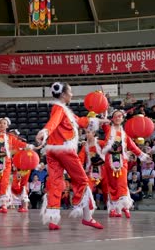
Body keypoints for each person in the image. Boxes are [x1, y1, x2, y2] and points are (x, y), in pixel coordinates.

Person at [36, 82, 107, 230]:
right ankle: (88, 217)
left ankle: (53, 220)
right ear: (63, 94)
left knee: (55, 183)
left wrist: (100, 120)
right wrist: (45, 131)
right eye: (70, 92)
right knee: (82, 180)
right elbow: (53, 123)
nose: (72, 94)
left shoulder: (64, 110)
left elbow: (81, 121)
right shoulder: (60, 109)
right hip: (65, 151)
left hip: (53, 151)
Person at [100, 109, 151, 218]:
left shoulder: (124, 135)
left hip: (122, 159)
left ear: (122, 119)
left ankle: (125, 207)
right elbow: (104, 123)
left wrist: (143, 156)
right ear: (112, 119)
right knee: (112, 184)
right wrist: (104, 113)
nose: (118, 118)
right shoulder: (108, 129)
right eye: (116, 116)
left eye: (120, 116)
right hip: (110, 159)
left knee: (122, 183)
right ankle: (113, 209)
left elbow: (133, 147)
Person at [0, 117, 32, 212]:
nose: (2, 125)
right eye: (0, 123)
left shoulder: (10, 137)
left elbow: (19, 143)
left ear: (7, 126)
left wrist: (28, 146)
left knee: (4, 182)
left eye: (4, 123)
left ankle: (4, 205)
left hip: (6, 162)